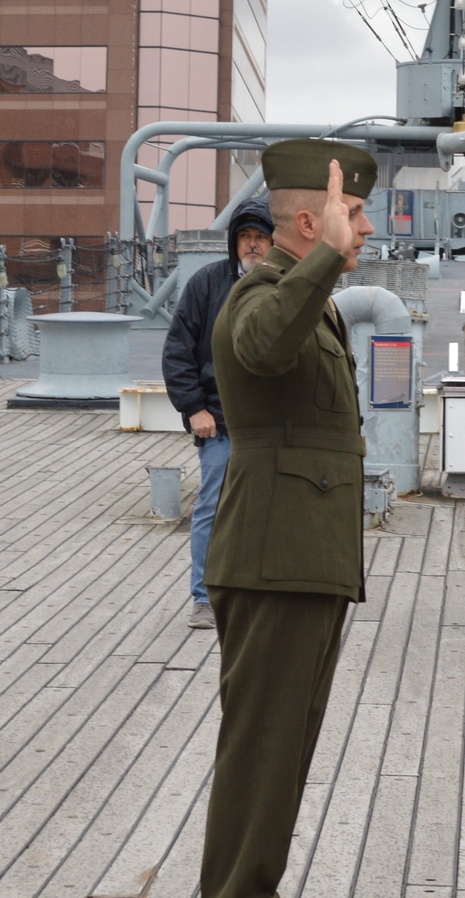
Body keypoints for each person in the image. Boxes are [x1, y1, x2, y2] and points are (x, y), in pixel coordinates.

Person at [197, 138, 377, 898]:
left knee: (283, 748)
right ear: (310, 221)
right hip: (273, 556)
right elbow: (264, 346)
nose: (365, 228)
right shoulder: (258, 293)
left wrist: (326, 271)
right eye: (353, 213)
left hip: (301, 556)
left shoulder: (311, 298)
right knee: (261, 747)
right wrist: (327, 263)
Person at [162, 196, 274, 629]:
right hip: (221, 424)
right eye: (245, 236)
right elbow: (178, 350)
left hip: (270, 426)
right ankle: (204, 598)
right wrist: (194, 408)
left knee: (269, 510)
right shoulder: (207, 284)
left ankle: (258, 593)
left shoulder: (287, 286)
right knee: (212, 509)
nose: (252, 244)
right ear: (234, 242)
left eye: (260, 236)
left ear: (272, 241)